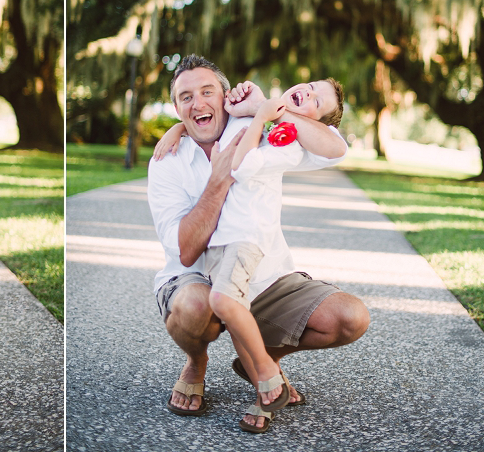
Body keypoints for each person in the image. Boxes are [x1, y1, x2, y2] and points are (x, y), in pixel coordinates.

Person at [147, 55, 370, 433]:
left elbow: (335, 145)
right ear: (176, 108)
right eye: (186, 97)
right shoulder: (167, 160)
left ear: (225, 97)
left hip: (265, 276)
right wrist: (212, 172)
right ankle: (197, 360)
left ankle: (259, 357)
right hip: (196, 279)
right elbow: (185, 251)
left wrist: (267, 109)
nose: (198, 103)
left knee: (351, 317)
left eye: (207, 92)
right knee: (198, 303)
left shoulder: (265, 130)